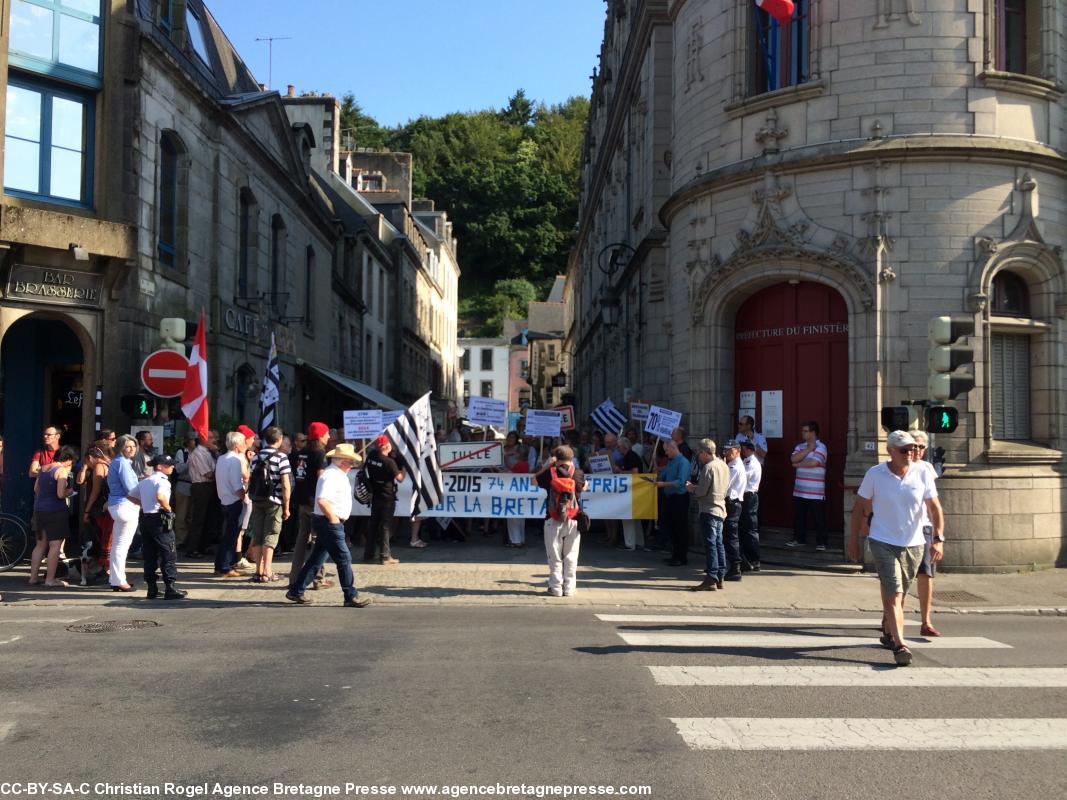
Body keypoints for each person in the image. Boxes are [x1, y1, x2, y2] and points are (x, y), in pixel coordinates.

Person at [848, 431, 944, 667]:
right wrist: (853, 540)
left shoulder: (922, 472)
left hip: (914, 544)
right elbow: (859, 507)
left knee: (900, 592)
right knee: (894, 592)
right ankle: (900, 644)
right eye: (904, 450)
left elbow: (935, 508)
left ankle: (889, 631)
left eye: (912, 449)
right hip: (882, 540)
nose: (910, 453)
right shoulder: (875, 474)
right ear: (890, 451)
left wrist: (938, 538)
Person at [286, 443, 373, 607]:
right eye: (350, 462)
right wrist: (333, 519)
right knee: (344, 558)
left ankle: (296, 590)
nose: (352, 465)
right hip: (329, 522)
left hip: (328, 521)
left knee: (317, 559)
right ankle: (350, 595)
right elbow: (322, 499)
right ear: (342, 461)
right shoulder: (331, 475)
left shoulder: (335, 474)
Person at [132, 454, 187, 600]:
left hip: (145, 517)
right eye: (169, 465)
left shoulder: (145, 481)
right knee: (168, 552)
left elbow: (131, 496)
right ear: (159, 467)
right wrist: (168, 509)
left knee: (149, 553)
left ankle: (152, 588)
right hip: (159, 518)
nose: (172, 467)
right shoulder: (163, 481)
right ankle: (170, 587)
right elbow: (161, 496)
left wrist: (144, 504)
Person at [535, 445, 586, 597]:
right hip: (573, 518)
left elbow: (533, 480)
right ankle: (569, 588)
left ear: (555, 458)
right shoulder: (578, 473)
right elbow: (583, 487)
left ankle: (555, 587)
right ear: (572, 458)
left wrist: (546, 465)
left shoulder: (550, 474)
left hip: (553, 518)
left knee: (554, 555)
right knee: (571, 555)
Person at [246, 426, 292, 583]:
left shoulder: (256, 457)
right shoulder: (282, 457)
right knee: (271, 535)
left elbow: (250, 480)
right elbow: (286, 484)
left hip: (257, 499)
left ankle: (258, 571)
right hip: (275, 501)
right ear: (279, 440)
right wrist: (287, 507)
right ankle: (268, 571)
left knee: (258, 535)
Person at [290, 422, 332, 588]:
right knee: (318, 540)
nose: (328, 436)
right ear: (321, 436)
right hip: (315, 502)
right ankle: (318, 578)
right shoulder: (319, 453)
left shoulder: (302, 452)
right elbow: (322, 478)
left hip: (302, 500)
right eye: (327, 433)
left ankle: (294, 577)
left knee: (301, 540)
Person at [28, 445, 77, 587]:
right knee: (55, 545)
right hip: (55, 511)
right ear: (67, 459)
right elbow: (60, 494)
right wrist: (69, 491)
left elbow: (36, 489)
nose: (71, 464)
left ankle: (33, 578)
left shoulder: (43, 468)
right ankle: (50, 579)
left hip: (39, 509)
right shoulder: (61, 470)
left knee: (40, 545)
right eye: (71, 461)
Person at [910, 431, 943, 637]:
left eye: (921, 447)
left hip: (923, 528)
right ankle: (890, 617)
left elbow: (934, 504)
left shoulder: (926, 469)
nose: (917, 451)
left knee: (925, 573)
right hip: (900, 528)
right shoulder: (891, 466)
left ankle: (926, 621)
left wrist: (938, 537)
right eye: (913, 446)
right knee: (900, 578)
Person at [686, 439, 729, 591]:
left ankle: (711, 577)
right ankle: (720, 576)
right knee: (719, 543)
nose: (698, 456)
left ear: (705, 452)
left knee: (711, 545)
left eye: (699, 453)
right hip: (720, 508)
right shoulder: (724, 465)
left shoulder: (708, 468)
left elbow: (702, 491)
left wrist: (692, 488)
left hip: (709, 509)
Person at [363, 435, 405, 566]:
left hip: (375, 495)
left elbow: (364, 468)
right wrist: (403, 468)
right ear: (387, 446)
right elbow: (400, 478)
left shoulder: (372, 455)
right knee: (386, 527)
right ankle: (385, 556)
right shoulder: (389, 462)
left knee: (373, 526)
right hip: (387, 497)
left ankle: (368, 554)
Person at [106, 435, 141, 591]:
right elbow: (131, 489)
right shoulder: (122, 463)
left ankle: (116, 579)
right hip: (125, 506)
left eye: (133, 445)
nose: (132, 448)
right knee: (121, 546)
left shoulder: (120, 462)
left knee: (118, 546)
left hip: (118, 505)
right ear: (120, 448)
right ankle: (119, 580)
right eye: (128, 446)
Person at [787, 420, 829, 550]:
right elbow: (793, 458)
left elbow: (814, 463)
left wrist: (798, 464)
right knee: (799, 517)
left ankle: (821, 542)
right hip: (800, 489)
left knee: (818, 518)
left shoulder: (821, 447)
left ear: (813, 432)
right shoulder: (800, 446)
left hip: (816, 491)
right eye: (802, 431)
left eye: (805, 431)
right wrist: (809, 449)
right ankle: (799, 539)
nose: (802, 433)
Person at [214, 431, 248, 578]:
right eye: (243, 442)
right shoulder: (234, 460)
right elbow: (237, 486)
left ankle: (220, 565)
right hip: (234, 501)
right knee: (231, 536)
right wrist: (244, 498)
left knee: (227, 535)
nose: (245, 444)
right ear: (236, 445)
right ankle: (225, 567)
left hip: (224, 500)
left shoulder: (221, 458)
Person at [655, 440, 691, 566]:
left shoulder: (683, 462)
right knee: (671, 527)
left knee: (680, 527)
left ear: (673, 448)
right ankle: (675, 554)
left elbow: (681, 482)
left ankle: (681, 557)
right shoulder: (671, 462)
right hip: (669, 497)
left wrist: (663, 484)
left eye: (667, 450)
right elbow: (663, 475)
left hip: (680, 498)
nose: (665, 453)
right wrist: (657, 476)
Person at [80, 446, 112, 577]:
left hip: (99, 508)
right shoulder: (108, 465)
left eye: (86, 462)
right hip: (106, 507)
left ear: (90, 458)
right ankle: (106, 570)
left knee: (99, 538)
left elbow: (95, 490)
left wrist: (87, 510)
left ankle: (103, 570)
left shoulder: (99, 467)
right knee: (105, 538)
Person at [183, 433, 217, 558]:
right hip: (201, 486)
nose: (215, 440)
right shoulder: (198, 453)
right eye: (212, 437)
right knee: (198, 518)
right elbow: (207, 474)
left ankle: (204, 545)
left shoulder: (209, 452)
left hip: (209, 486)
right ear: (203, 439)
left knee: (209, 518)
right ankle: (192, 548)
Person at [722, 440, 747, 580]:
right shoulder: (731, 464)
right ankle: (741, 563)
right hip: (732, 503)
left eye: (730, 450)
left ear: (737, 451)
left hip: (732, 503)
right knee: (730, 535)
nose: (726, 452)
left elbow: (725, 485)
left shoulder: (735, 467)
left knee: (731, 536)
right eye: (725, 450)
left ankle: (735, 567)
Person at [616, 436, 645, 550]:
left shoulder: (630, 456)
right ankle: (638, 542)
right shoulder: (630, 456)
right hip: (635, 490)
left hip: (631, 490)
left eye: (619, 447)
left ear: (624, 447)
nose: (618, 449)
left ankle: (629, 544)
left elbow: (634, 473)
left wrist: (620, 471)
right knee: (635, 517)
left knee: (627, 516)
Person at [739, 439, 762, 572]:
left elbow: (742, 477)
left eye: (743, 448)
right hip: (745, 496)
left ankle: (754, 559)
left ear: (748, 449)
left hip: (750, 497)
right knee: (744, 528)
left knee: (750, 528)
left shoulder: (752, 463)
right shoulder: (746, 461)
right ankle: (747, 558)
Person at [172, 435, 196, 549]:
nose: (194, 442)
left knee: (191, 515)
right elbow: (179, 469)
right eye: (192, 439)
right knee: (181, 514)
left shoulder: (198, 453)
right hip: (183, 485)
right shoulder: (182, 452)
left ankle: (189, 540)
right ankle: (179, 540)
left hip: (195, 485)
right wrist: (190, 462)